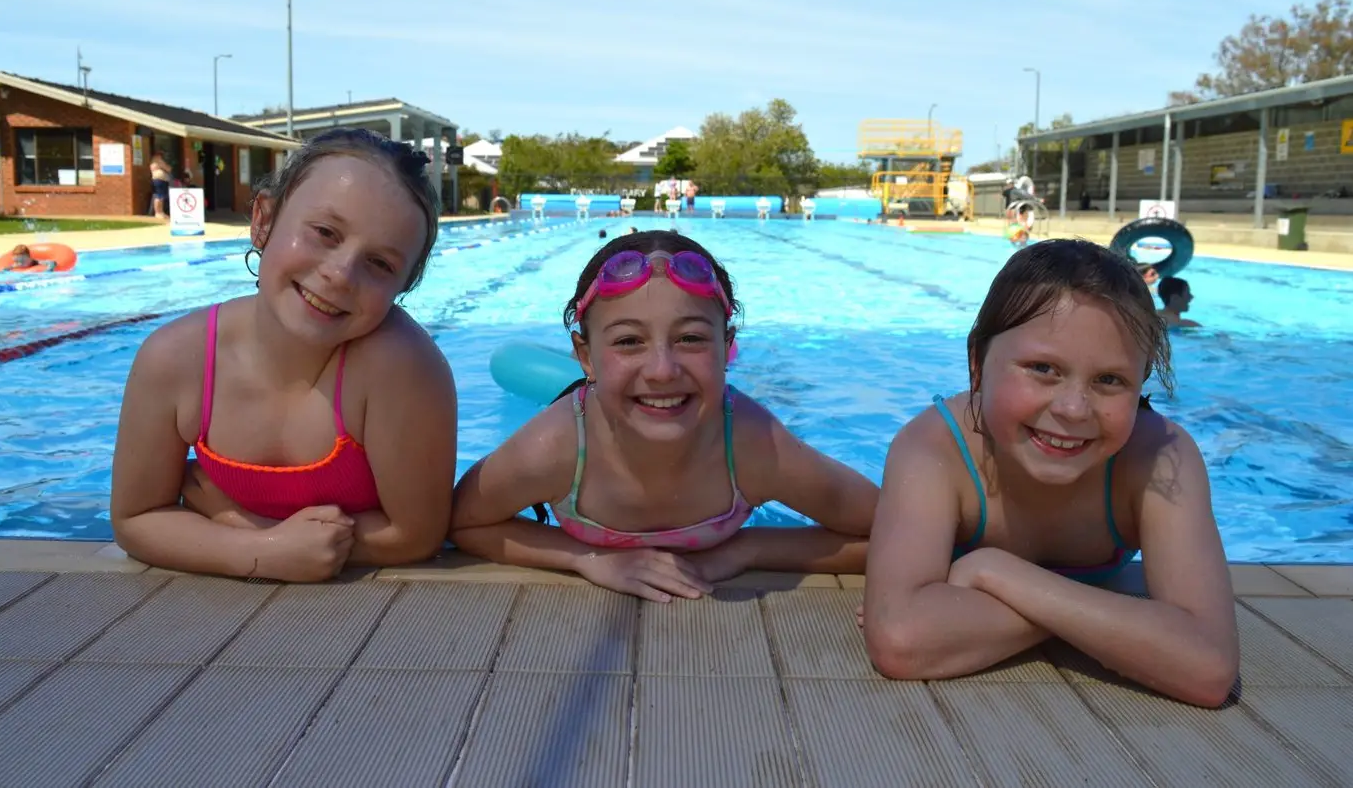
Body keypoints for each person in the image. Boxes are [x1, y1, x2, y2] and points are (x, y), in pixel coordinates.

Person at [860, 238, 1237, 707]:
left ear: (1140, 383)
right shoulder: (934, 449)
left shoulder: (1160, 457)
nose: (1074, 408)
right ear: (977, 364)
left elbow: (1207, 668)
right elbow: (901, 639)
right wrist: (1125, 628)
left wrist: (992, 570)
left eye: (1109, 380)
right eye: (1042, 368)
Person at [450, 231, 879, 601]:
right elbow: (464, 523)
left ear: (726, 349)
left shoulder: (753, 446)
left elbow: (893, 530)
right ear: (586, 357)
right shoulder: (558, 447)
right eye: (628, 341)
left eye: (691, 338)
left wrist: (745, 550)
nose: (662, 370)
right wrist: (588, 559)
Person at [111, 128, 458, 582]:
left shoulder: (401, 369)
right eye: (325, 232)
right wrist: (259, 551)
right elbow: (136, 517)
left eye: (380, 264)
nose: (339, 274)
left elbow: (415, 534)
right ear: (263, 221)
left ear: (402, 289)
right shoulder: (176, 360)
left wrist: (244, 528)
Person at [148, 153, 174, 220]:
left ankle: (161, 212)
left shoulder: (157, 161)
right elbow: (168, 168)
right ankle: (158, 212)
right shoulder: (157, 161)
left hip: (162, 180)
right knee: (159, 196)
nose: (162, 156)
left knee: (161, 197)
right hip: (159, 180)